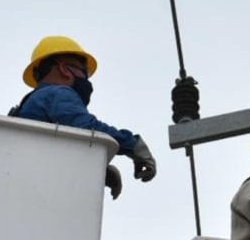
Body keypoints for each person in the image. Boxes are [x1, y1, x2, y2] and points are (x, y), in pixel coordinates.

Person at [10, 36, 156, 198]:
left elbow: (52, 149)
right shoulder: (58, 93)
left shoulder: (32, 104)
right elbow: (86, 128)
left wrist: (97, 167)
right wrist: (133, 145)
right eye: (84, 72)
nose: (86, 80)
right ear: (65, 69)